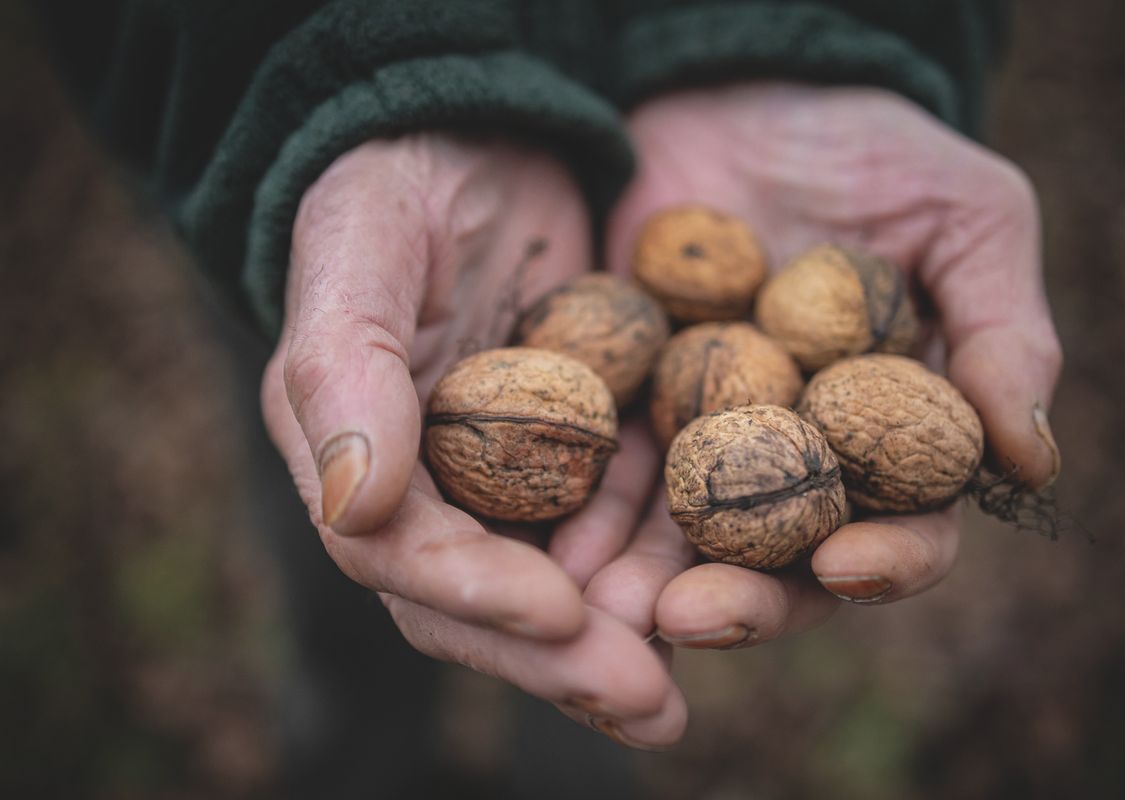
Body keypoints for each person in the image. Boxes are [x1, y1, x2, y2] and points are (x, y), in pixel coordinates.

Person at [36, 0, 1060, 784]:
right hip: (354, 224)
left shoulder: (772, 373)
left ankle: (559, 768)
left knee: (599, 638)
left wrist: (818, 32)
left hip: (595, 256)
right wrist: (333, 94)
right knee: (358, 519)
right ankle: (355, 755)